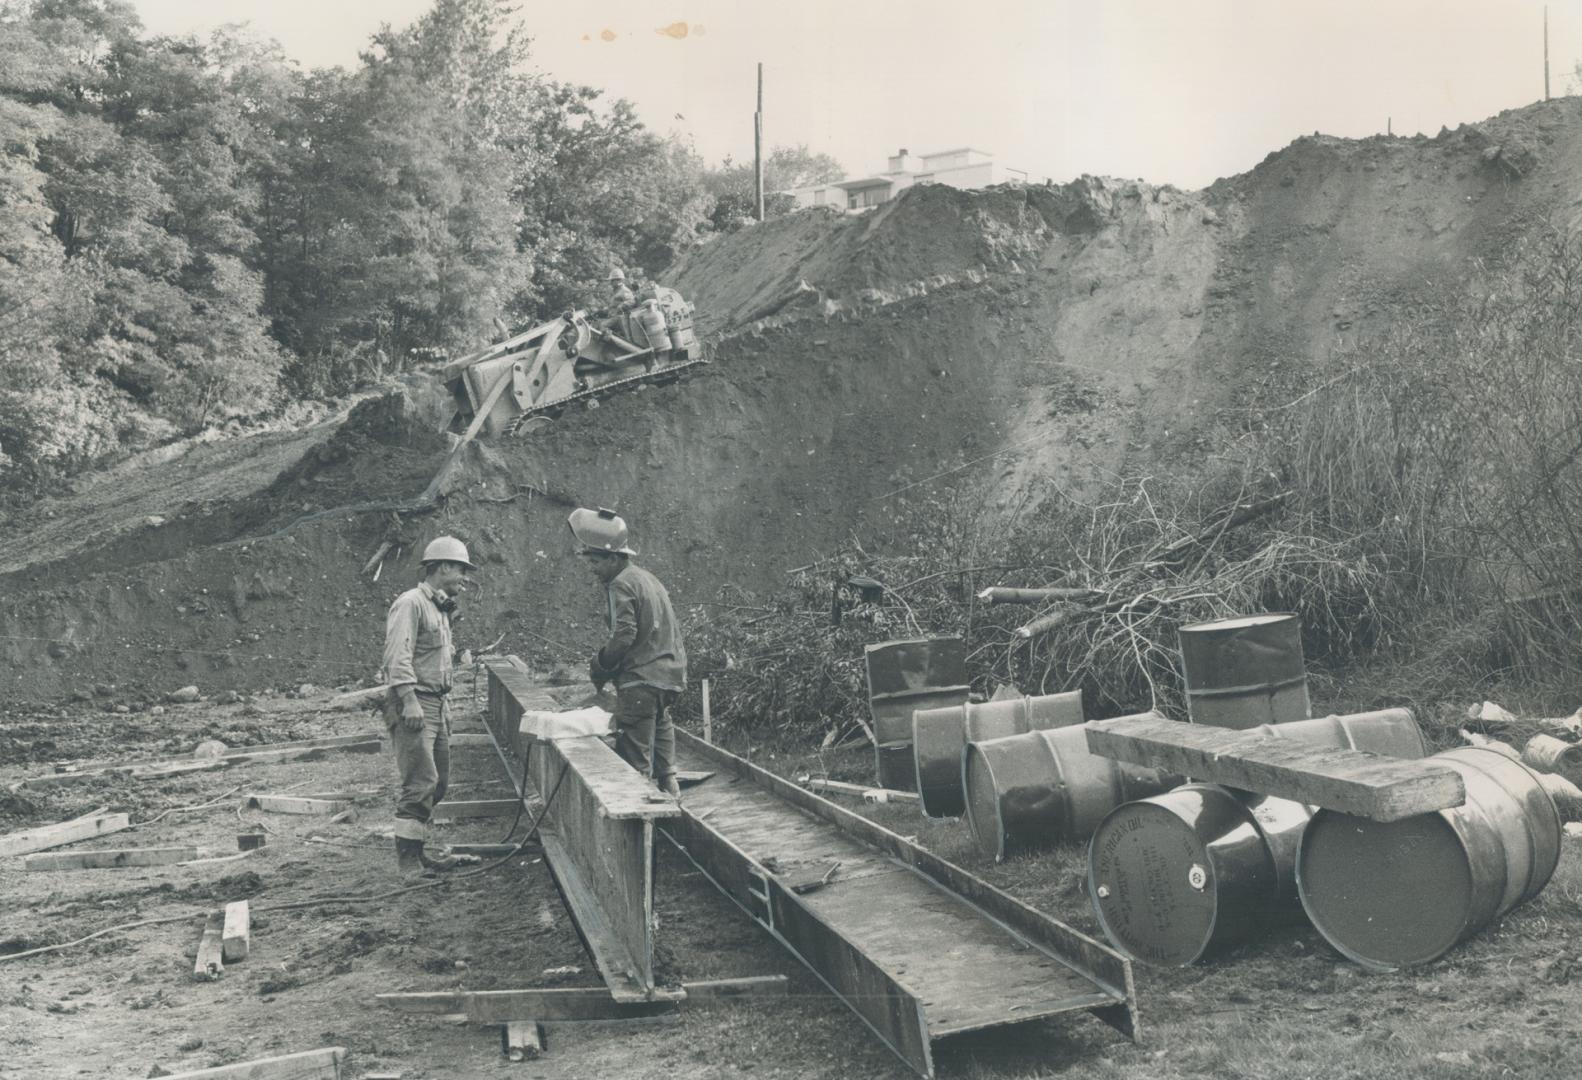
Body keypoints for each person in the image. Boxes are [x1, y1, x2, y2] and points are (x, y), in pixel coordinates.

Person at [569, 507, 686, 797]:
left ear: (613, 558)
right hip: (669, 677)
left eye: (595, 561)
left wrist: (600, 665)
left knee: (633, 768)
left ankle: (640, 831)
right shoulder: (647, 579)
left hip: (641, 681)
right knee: (662, 742)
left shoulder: (620, 584)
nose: (592, 568)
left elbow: (624, 635)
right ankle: (674, 803)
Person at [380, 536, 476, 876]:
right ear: (443, 567)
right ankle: (408, 864)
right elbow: (398, 656)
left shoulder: (439, 608)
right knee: (420, 783)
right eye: (461, 570)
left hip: (436, 702)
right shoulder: (411, 603)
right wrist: (408, 700)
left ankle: (420, 855)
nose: (465, 577)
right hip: (414, 701)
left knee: (439, 782)